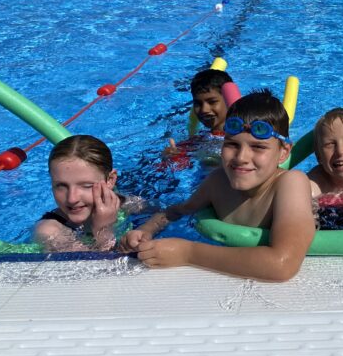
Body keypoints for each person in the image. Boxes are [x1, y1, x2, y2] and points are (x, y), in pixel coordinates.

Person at [121, 89, 316, 281]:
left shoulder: (291, 183)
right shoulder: (219, 181)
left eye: (258, 147)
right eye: (232, 144)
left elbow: (282, 265)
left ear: (284, 152)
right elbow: (177, 211)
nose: (241, 158)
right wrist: (146, 230)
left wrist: (188, 253)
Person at [35, 135, 128, 252]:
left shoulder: (120, 202)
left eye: (86, 186)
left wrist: (147, 230)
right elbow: (95, 266)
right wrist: (103, 230)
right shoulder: (50, 232)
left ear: (110, 180)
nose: (72, 199)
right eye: (61, 186)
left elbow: (158, 215)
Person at [162, 68, 236, 168]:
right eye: (198, 103)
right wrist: (171, 157)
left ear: (228, 100)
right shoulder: (195, 142)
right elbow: (177, 170)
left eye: (212, 102)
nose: (204, 109)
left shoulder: (245, 136)